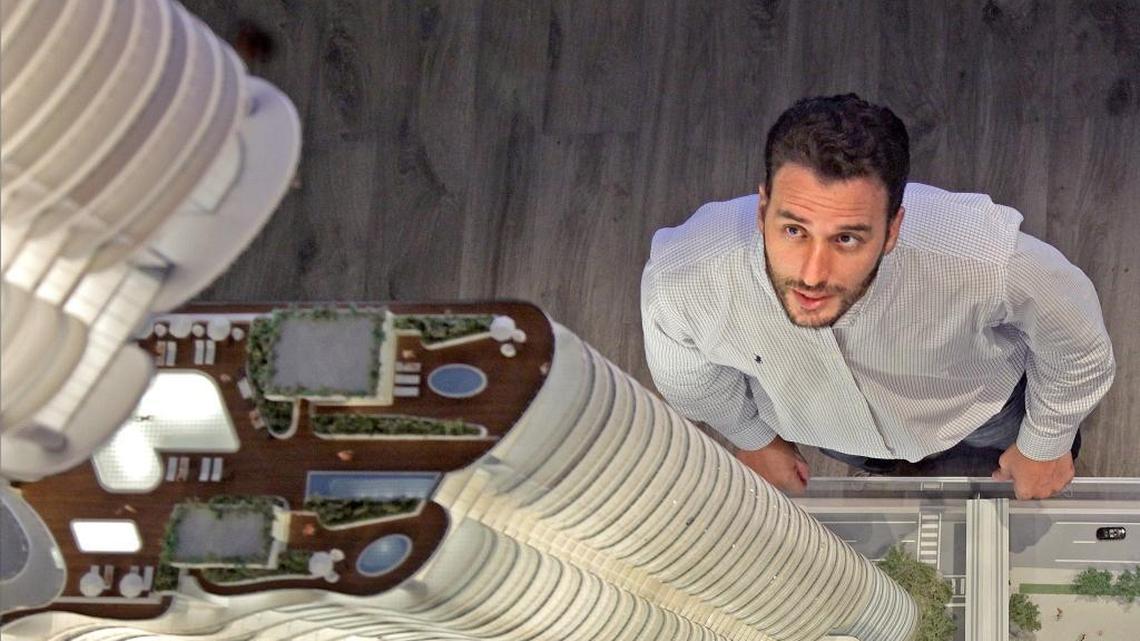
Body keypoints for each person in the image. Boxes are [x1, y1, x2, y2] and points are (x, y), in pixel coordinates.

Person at [640, 94, 1115, 500]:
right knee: (878, 464)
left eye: (847, 239)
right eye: (793, 230)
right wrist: (754, 438)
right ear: (763, 208)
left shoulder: (982, 257)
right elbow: (687, 375)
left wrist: (1044, 443)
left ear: (892, 230)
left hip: (978, 412)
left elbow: (1076, 344)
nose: (811, 274)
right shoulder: (687, 274)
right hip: (835, 432)